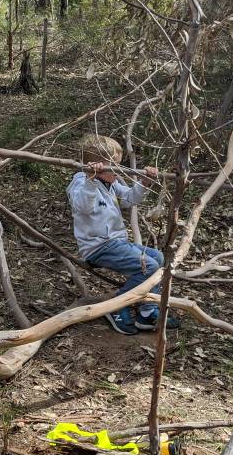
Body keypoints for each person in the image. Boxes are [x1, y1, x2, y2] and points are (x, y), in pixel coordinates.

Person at [67, 134, 179, 334]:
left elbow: (129, 199)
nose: (118, 170)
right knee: (149, 267)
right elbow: (83, 207)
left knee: (158, 257)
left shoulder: (110, 183)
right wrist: (91, 181)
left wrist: (145, 181)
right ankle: (117, 306)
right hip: (98, 247)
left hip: (117, 243)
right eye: (114, 165)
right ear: (97, 166)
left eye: (119, 164)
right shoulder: (82, 183)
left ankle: (146, 312)